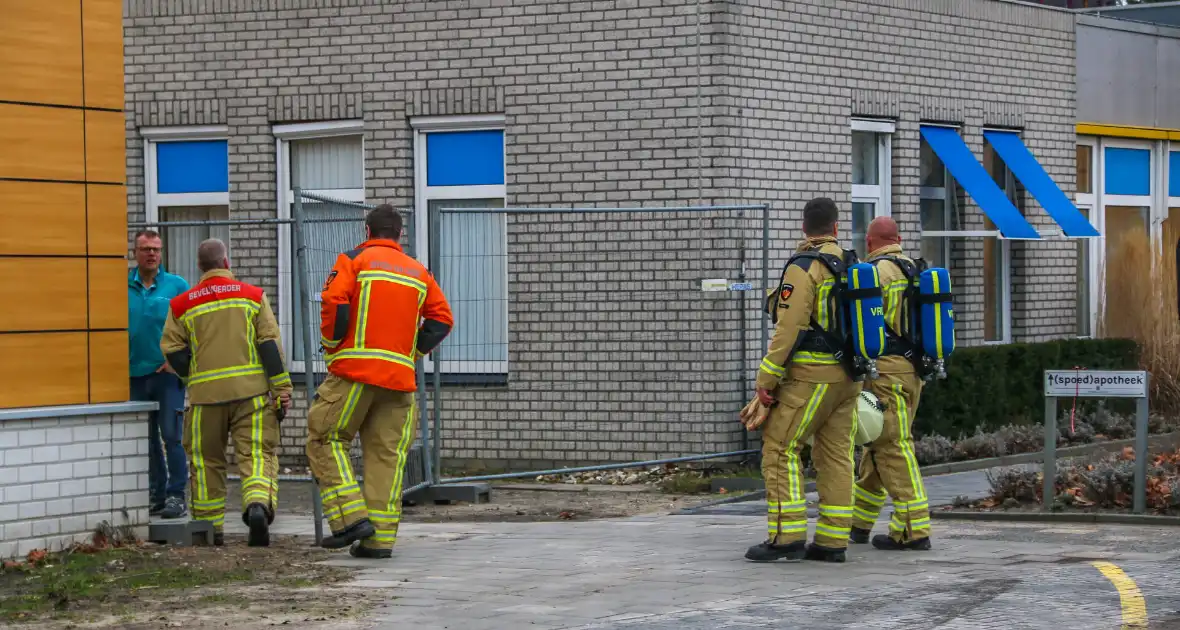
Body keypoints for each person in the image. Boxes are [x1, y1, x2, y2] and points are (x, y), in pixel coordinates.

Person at [306, 204, 453, 559]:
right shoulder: (419, 272)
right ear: (400, 234)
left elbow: (333, 301)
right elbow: (442, 320)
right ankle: (379, 541)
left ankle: (350, 519)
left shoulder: (353, 260)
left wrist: (331, 345)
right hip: (399, 381)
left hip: (353, 374)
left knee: (326, 438)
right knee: (386, 456)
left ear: (367, 230)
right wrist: (410, 353)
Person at [745, 197, 862, 564]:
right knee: (837, 455)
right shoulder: (851, 264)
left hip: (811, 377)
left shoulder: (804, 266)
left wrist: (767, 377)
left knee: (780, 448)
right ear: (836, 228)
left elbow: (789, 326)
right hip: (849, 378)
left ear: (803, 227)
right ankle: (832, 541)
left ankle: (787, 536)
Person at [160, 239, 292, 547]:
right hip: (253, 395)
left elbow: (172, 349)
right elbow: (269, 345)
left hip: (206, 399)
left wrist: (195, 374)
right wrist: (282, 388)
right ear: (227, 263)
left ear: (200, 267)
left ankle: (209, 528)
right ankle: (257, 505)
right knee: (257, 454)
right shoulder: (252, 296)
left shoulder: (182, 304)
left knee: (207, 462)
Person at [849, 216, 931, 551]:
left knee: (894, 448)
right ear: (897, 238)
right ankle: (859, 523)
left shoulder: (876, 274)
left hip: (885, 375)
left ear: (869, 242)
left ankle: (914, 530)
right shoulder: (916, 269)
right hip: (913, 373)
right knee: (878, 446)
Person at [128, 229, 191, 520]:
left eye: (156, 249)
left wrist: (176, 363)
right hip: (133, 375)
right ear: (135, 253)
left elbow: (193, 328)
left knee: (171, 436)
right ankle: (156, 494)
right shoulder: (122, 286)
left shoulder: (177, 286)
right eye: (145, 249)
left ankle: (176, 496)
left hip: (166, 376)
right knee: (147, 439)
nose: (151, 254)